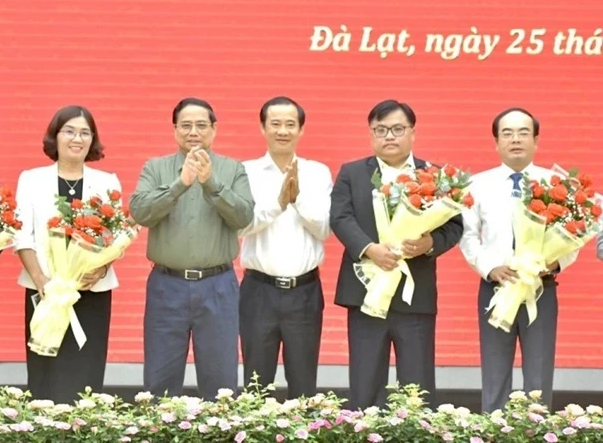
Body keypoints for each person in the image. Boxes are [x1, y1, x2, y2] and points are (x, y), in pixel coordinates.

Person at [330, 99, 463, 410]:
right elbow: (340, 217)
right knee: (364, 385)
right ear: (371, 134)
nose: (389, 136)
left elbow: (454, 226)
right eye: (380, 130)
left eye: (397, 129)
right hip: (365, 294)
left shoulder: (435, 175)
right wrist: (370, 249)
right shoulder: (352, 173)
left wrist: (429, 244)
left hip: (413, 295)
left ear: (412, 132)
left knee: (417, 390)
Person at [130, 97, 254, 400]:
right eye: (186, 125)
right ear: (175, 131)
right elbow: (140, 212)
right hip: (166, 285)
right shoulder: (156, 168)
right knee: (160, 378)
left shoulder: (232, 169)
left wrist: (211, 183)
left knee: (221, 382)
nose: (193, 132)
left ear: (214, 130)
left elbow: (243, 216)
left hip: (218, 285)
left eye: (201, 125)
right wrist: (180, 184)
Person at [459, 107, 578, 412]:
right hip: (496, 288)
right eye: (507, 133)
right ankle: (493, 431)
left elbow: (574, 232)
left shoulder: (556, 183)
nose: (516, 139)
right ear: (496, 142)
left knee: (539, 372)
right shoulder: (477, 184)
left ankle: (537, 431)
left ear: (536, 140)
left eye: (523, 132)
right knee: (495, 371)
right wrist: (489, 269)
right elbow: (468, 235)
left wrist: (555, 263)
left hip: (541, 287)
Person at [14, 105, 122, 403]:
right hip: (45, 290)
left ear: (93, 139)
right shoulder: (31, 179)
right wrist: (40, 279)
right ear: (56, 136)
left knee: (86, 371)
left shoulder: (107, 181)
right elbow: (22, 235)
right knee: (45, 368)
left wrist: (100, 269)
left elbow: (116, 234)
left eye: (85, 132)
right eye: (70, 131)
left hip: (91, 290)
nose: (77, 138)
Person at [238, 96, 332, 398]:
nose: (283, 130)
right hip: (258, 291)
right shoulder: (245, 172)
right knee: (255, 383)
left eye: (290, 124)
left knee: (303, 382)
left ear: (301, 130)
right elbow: (240, 226)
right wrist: (278, 204)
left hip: (304, 292)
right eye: (275, 124)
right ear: (263, 128)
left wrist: (298, 197)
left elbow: (325, 229)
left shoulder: (318, 172)